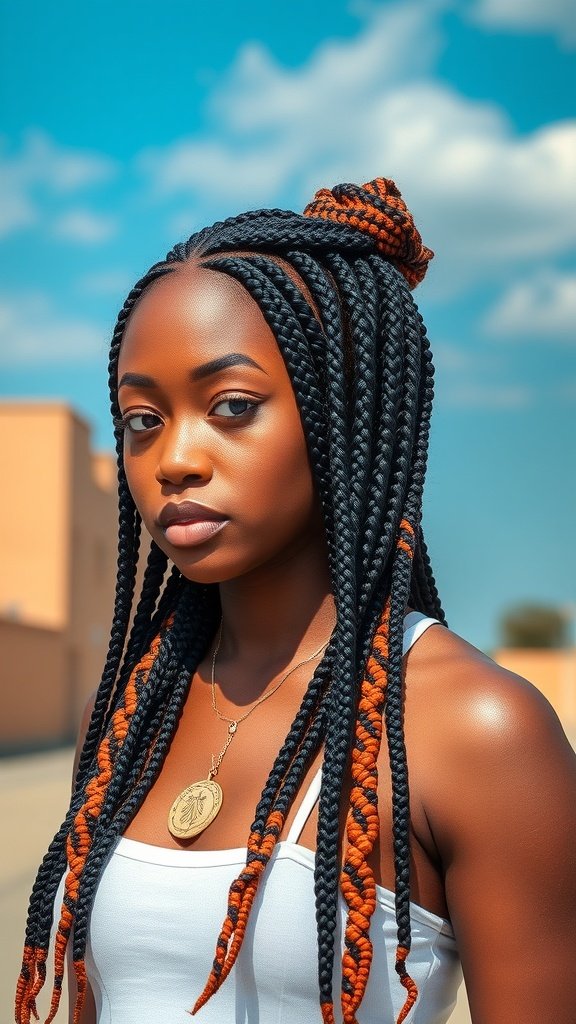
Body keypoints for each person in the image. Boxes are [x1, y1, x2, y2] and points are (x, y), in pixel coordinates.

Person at [16, 177, 576, 1024]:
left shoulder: (476, 731)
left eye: (231, 407)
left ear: (339, 411)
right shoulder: (127, 718)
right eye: (142, 419)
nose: (174, 459)